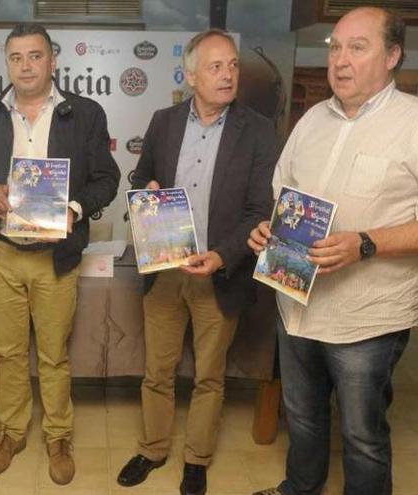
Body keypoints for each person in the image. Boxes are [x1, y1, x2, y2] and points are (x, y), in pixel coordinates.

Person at [248, 7, 418, 495]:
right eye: (335, 47)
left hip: (367, 317)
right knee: (303, 418)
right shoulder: (312, 118)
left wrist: (366, 243)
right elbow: (284, 195)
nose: (340, 60)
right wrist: (268, 230)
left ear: (393, 55)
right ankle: (300, 489)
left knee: (362, 435)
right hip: (295, 303)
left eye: (358, 47)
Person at [115, 29, 277, 495]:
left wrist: (222, 255)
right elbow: (142, 176)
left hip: (219, 271)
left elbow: (259, 211)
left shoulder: (259, 130)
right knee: (157, 371)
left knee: (209, 375)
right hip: (165, 268)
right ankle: (152, 449)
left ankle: (197, 459)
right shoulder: (164, 121)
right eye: (215, 67)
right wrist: (144, 191)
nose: (228, 75)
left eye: (232, 66)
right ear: (190, 76)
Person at [0, 23, 120, 486]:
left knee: (52, 355)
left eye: (35, 56)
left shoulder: (84, 114)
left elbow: (106, 179)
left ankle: (58, 437)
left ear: (53, 61)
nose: (25, 66)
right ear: (6, 62)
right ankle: (12, 433)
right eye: (16, 57)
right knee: (10, 353)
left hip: (55, 256)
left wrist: (73, 208)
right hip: (4, 254)